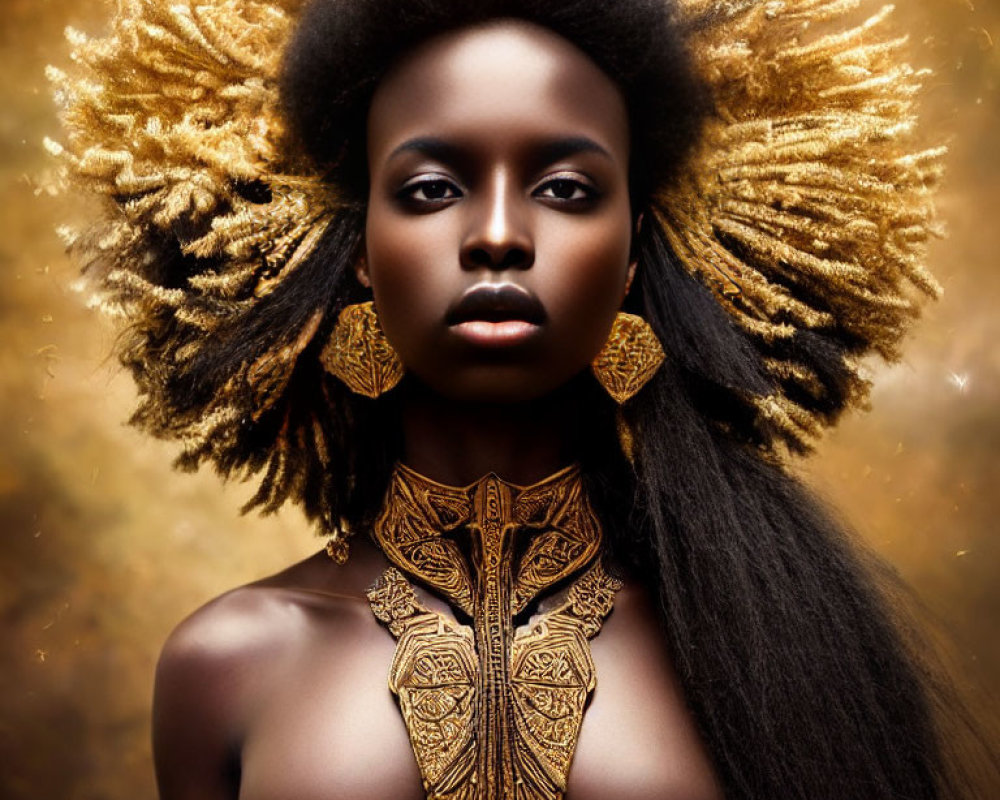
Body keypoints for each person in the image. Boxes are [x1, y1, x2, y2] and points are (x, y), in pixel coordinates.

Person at [47, 0, 973, 797]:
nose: (497, 235)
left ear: (633, 253)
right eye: (431, 188)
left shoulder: (775, 649)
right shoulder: (229, 663)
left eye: (566, 189)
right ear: (361, 247)